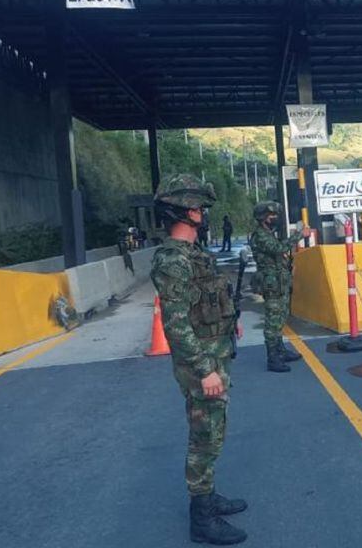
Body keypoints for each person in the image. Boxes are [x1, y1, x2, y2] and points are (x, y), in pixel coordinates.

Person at [150, 174, 247, 546]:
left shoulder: (193, 254)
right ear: (186, 211)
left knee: (214, 431)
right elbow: (175, 326)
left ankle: (208, 495)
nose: (204, 214)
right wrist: (205, 369)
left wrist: (228, 324)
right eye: (200, 208)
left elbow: (204, 303)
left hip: (215, 350)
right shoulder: (173, 259)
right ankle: (201, 516)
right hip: (202, 363)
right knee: (204, 436)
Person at [250, 202, 305, 372]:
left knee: (280, 317)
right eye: (271, 215)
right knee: (273, 321)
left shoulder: (268, 233)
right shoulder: (260, 236)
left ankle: (280, 350)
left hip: (279, 282)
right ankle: (272, 358)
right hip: (271, 283)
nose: (275, 218)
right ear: (262, 217)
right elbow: (278, 248)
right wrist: (299, 235)